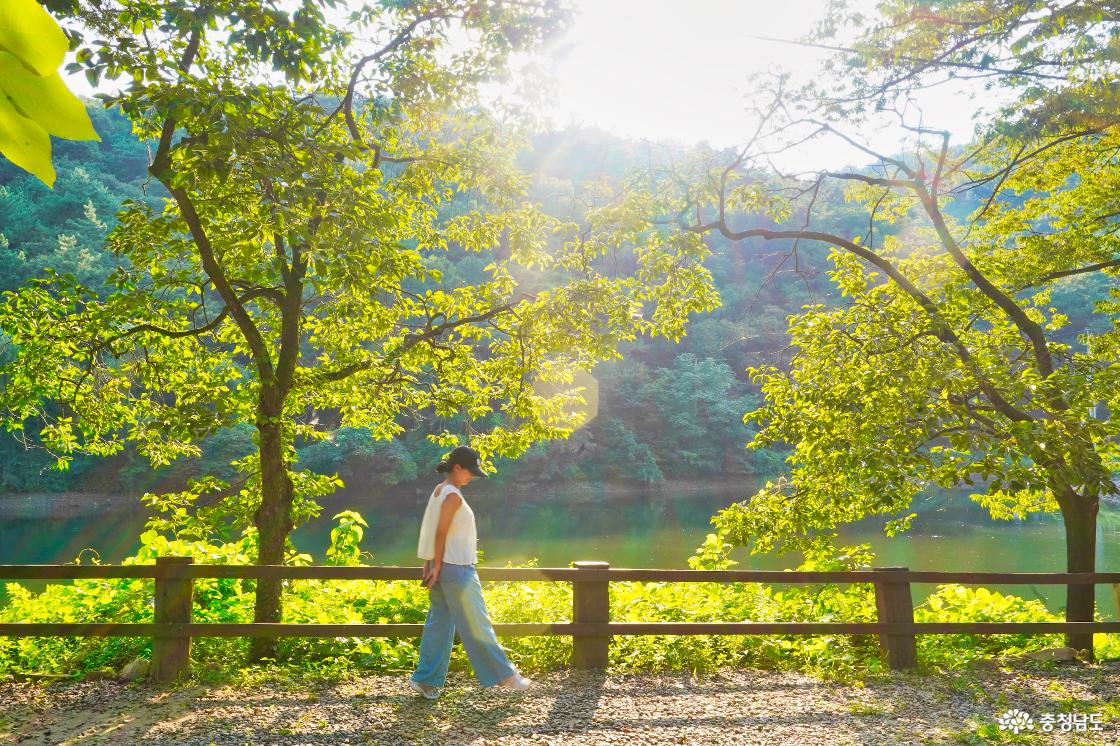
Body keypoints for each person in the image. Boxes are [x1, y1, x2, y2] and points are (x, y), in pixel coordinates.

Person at [407, 445, 532, 699]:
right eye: (469, 472)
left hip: (442, 566)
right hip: (456, 568)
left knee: (439, 624)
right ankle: (506, 676)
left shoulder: (439, 490)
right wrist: (438, 564)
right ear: (457, 468)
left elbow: (430, 528)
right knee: (478, 623)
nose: (472, 477)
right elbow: (440, 531)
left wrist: (430, 562)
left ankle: (426, 680)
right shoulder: (452, 495)